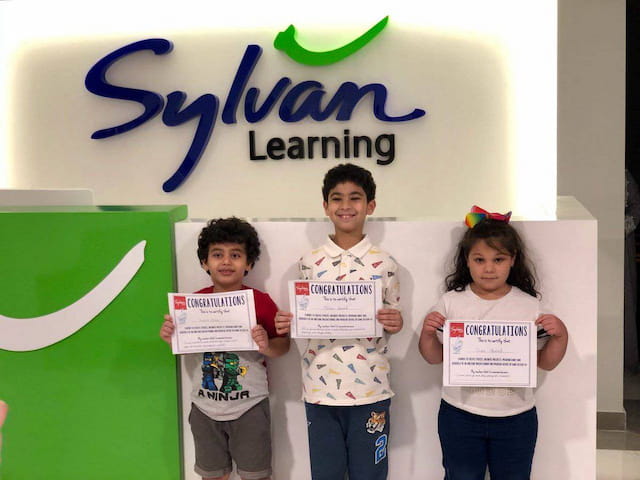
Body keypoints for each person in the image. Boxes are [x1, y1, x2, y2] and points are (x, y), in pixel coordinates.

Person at [418, 208, 568, 480]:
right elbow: (433, 357)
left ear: (512, 260)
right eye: (480, 259)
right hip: (459, 414)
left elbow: (545, 362)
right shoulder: (451, 302)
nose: (488, 268)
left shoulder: (528, 305)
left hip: (517, 417)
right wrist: (427, 334)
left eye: (498, 259)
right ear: (467, 261)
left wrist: (561, 336)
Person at [275, 163, 403, 480]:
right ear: (325, 206)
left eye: (355, 198)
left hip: (371, 389)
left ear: (370, 206)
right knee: (326, 473)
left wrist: (395, 321)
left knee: (370, 474)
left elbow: (393, 319)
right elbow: (303, 318)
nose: (346, 206)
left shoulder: (384, 263)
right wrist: (288, 322)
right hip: (319, 389)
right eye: (337, 198)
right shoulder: (308, 262)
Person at [159, 217, 289, 480]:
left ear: (249, 263)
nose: (226, 262)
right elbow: (184, 347)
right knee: (212, 475)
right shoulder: (193, 303)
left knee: (256, 475)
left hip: (250, 407)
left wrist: (265, 344)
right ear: (205, 262)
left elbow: (283, 346)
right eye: (217, 254)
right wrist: (171, 336)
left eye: (236, 255)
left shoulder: (260, 302)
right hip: (204, 408)